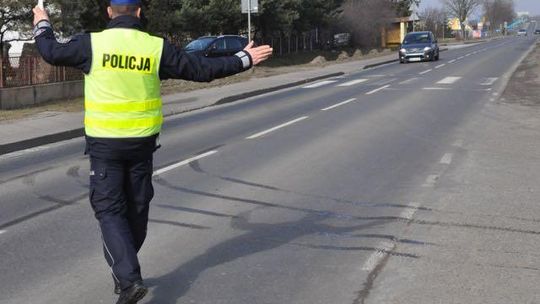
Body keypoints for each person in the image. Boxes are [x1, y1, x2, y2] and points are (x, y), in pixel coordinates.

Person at [32, 1, 273, 303]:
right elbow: (201, 70)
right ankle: (126, 272)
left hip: (105, 145)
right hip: (142, 145)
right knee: (136, 210)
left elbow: (50, 51)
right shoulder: (155, 48)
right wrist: (242, 59)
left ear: (109, 12)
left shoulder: (91, 44)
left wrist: (42, 21)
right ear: (139, 11)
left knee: (108, 211)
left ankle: (127, 277)